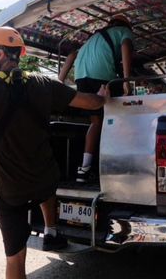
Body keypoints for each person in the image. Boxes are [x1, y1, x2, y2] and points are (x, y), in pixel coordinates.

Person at [0, 26, 110, 279]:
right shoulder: (45, 83)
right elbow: (90, 102)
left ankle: (45, 235)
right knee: (47, 186)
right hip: (44, 180)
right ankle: (51, 230)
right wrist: (103, 97)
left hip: (8, 189)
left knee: (15, 258)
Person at [58, 15, 135, 183]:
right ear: (127, 26)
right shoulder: (124, 32)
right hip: (102, 75)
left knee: (96, 122)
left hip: (81, 77)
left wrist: (59, 82)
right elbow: (126, 46)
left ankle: (84, 170)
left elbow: (72, 55)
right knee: (118, 118)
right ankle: (117, 165)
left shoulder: (93, 37)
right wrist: (126, 81)